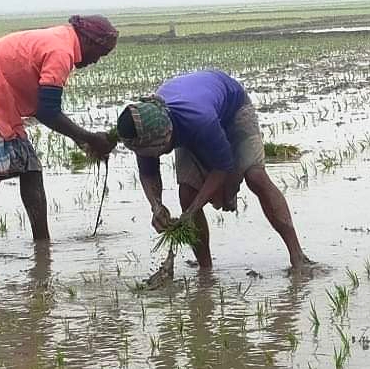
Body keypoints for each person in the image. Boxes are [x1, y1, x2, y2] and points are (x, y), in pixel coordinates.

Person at [0, 16, 120, 257]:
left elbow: (46, 110)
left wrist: (82, 140)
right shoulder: (61, 51)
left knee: (31, 170)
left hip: (1, 103)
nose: (95, 61)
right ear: (88, 41)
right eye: (100, 53)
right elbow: (47, 111)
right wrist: (89, 138)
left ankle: (43, 246)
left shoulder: (63, 43)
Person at [114, 69, 310, 270]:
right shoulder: (142, 132)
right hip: (195, 113)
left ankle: (298, 256)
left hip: (233, 110)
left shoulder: (198, 120)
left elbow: (222, 167)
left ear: (167, 135)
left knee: (255, 176)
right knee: (187, 193)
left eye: (156, 151)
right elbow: (148, 172)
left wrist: (193, 211)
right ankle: (205, 270)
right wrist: (156, 206)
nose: (153, 156)